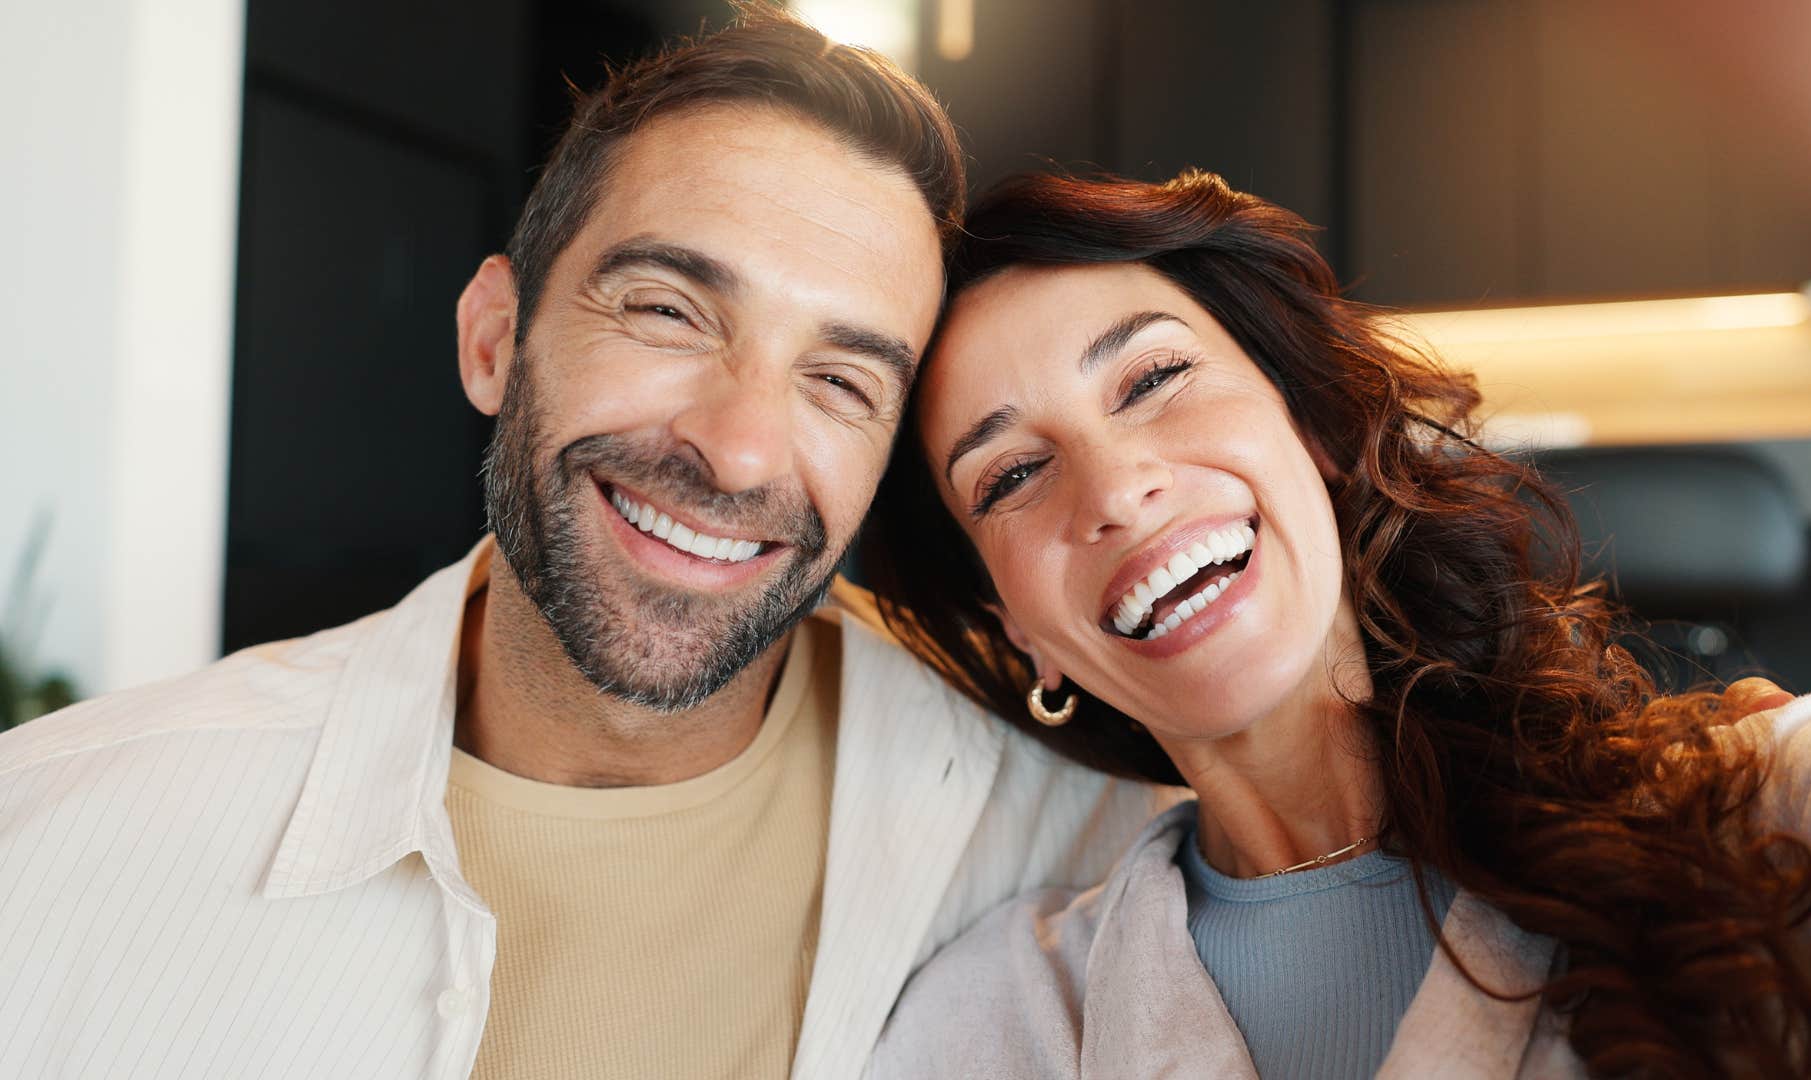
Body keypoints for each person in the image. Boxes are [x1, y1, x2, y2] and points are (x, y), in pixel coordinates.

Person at [0, 14, 1169, 1079]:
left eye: (842, 380)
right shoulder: (53, 845)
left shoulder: (1085, 853)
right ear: (495, 338)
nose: (743, 452)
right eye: (669, 310)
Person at [860, 169, 1811, 1079]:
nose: (1115, 488)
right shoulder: (995, 1019)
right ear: (1017, 632)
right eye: (1013, 475)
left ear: (1313, 427)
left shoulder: (1761, 809)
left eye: (1154, 379)